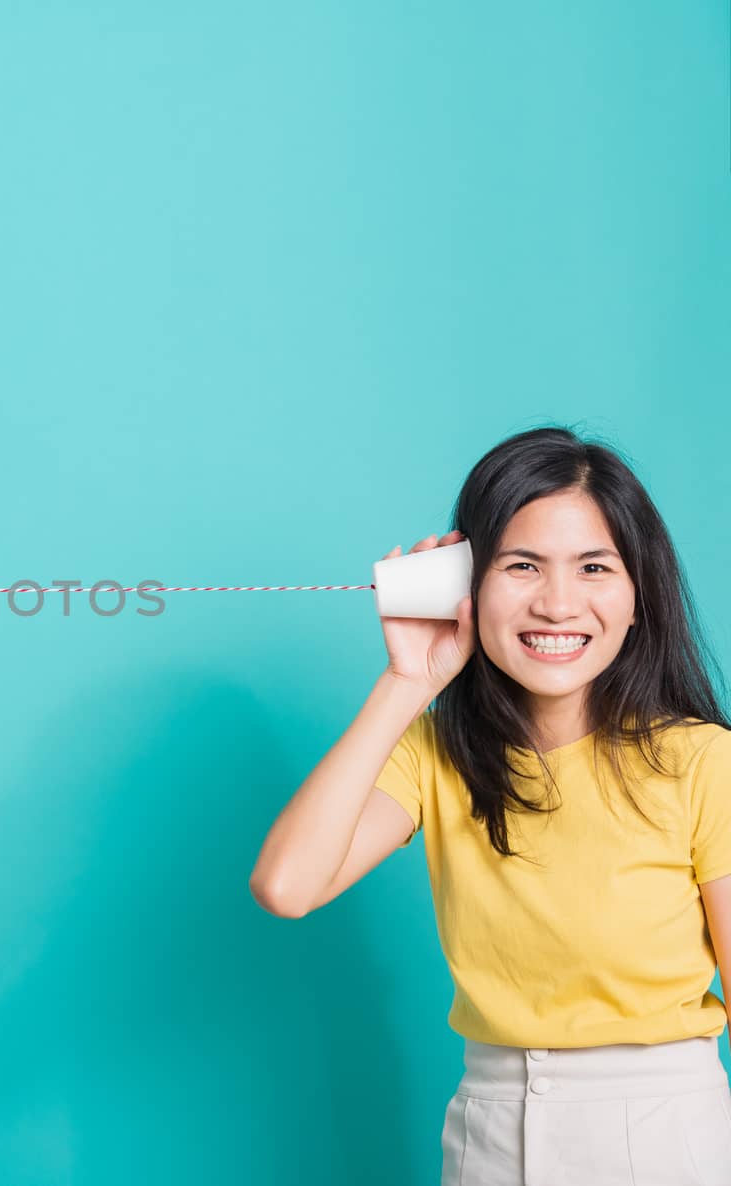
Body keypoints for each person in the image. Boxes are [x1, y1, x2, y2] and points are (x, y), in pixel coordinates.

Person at [250, 425, 731, 1183]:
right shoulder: (435, 753)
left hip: (663, 1130)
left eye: (595, 567)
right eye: (522, 565)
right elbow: (287, 886)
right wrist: (407, 681)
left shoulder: (703, 761)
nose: (558, 602)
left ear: (639, 597)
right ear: (468, 586)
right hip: (487, 1128)